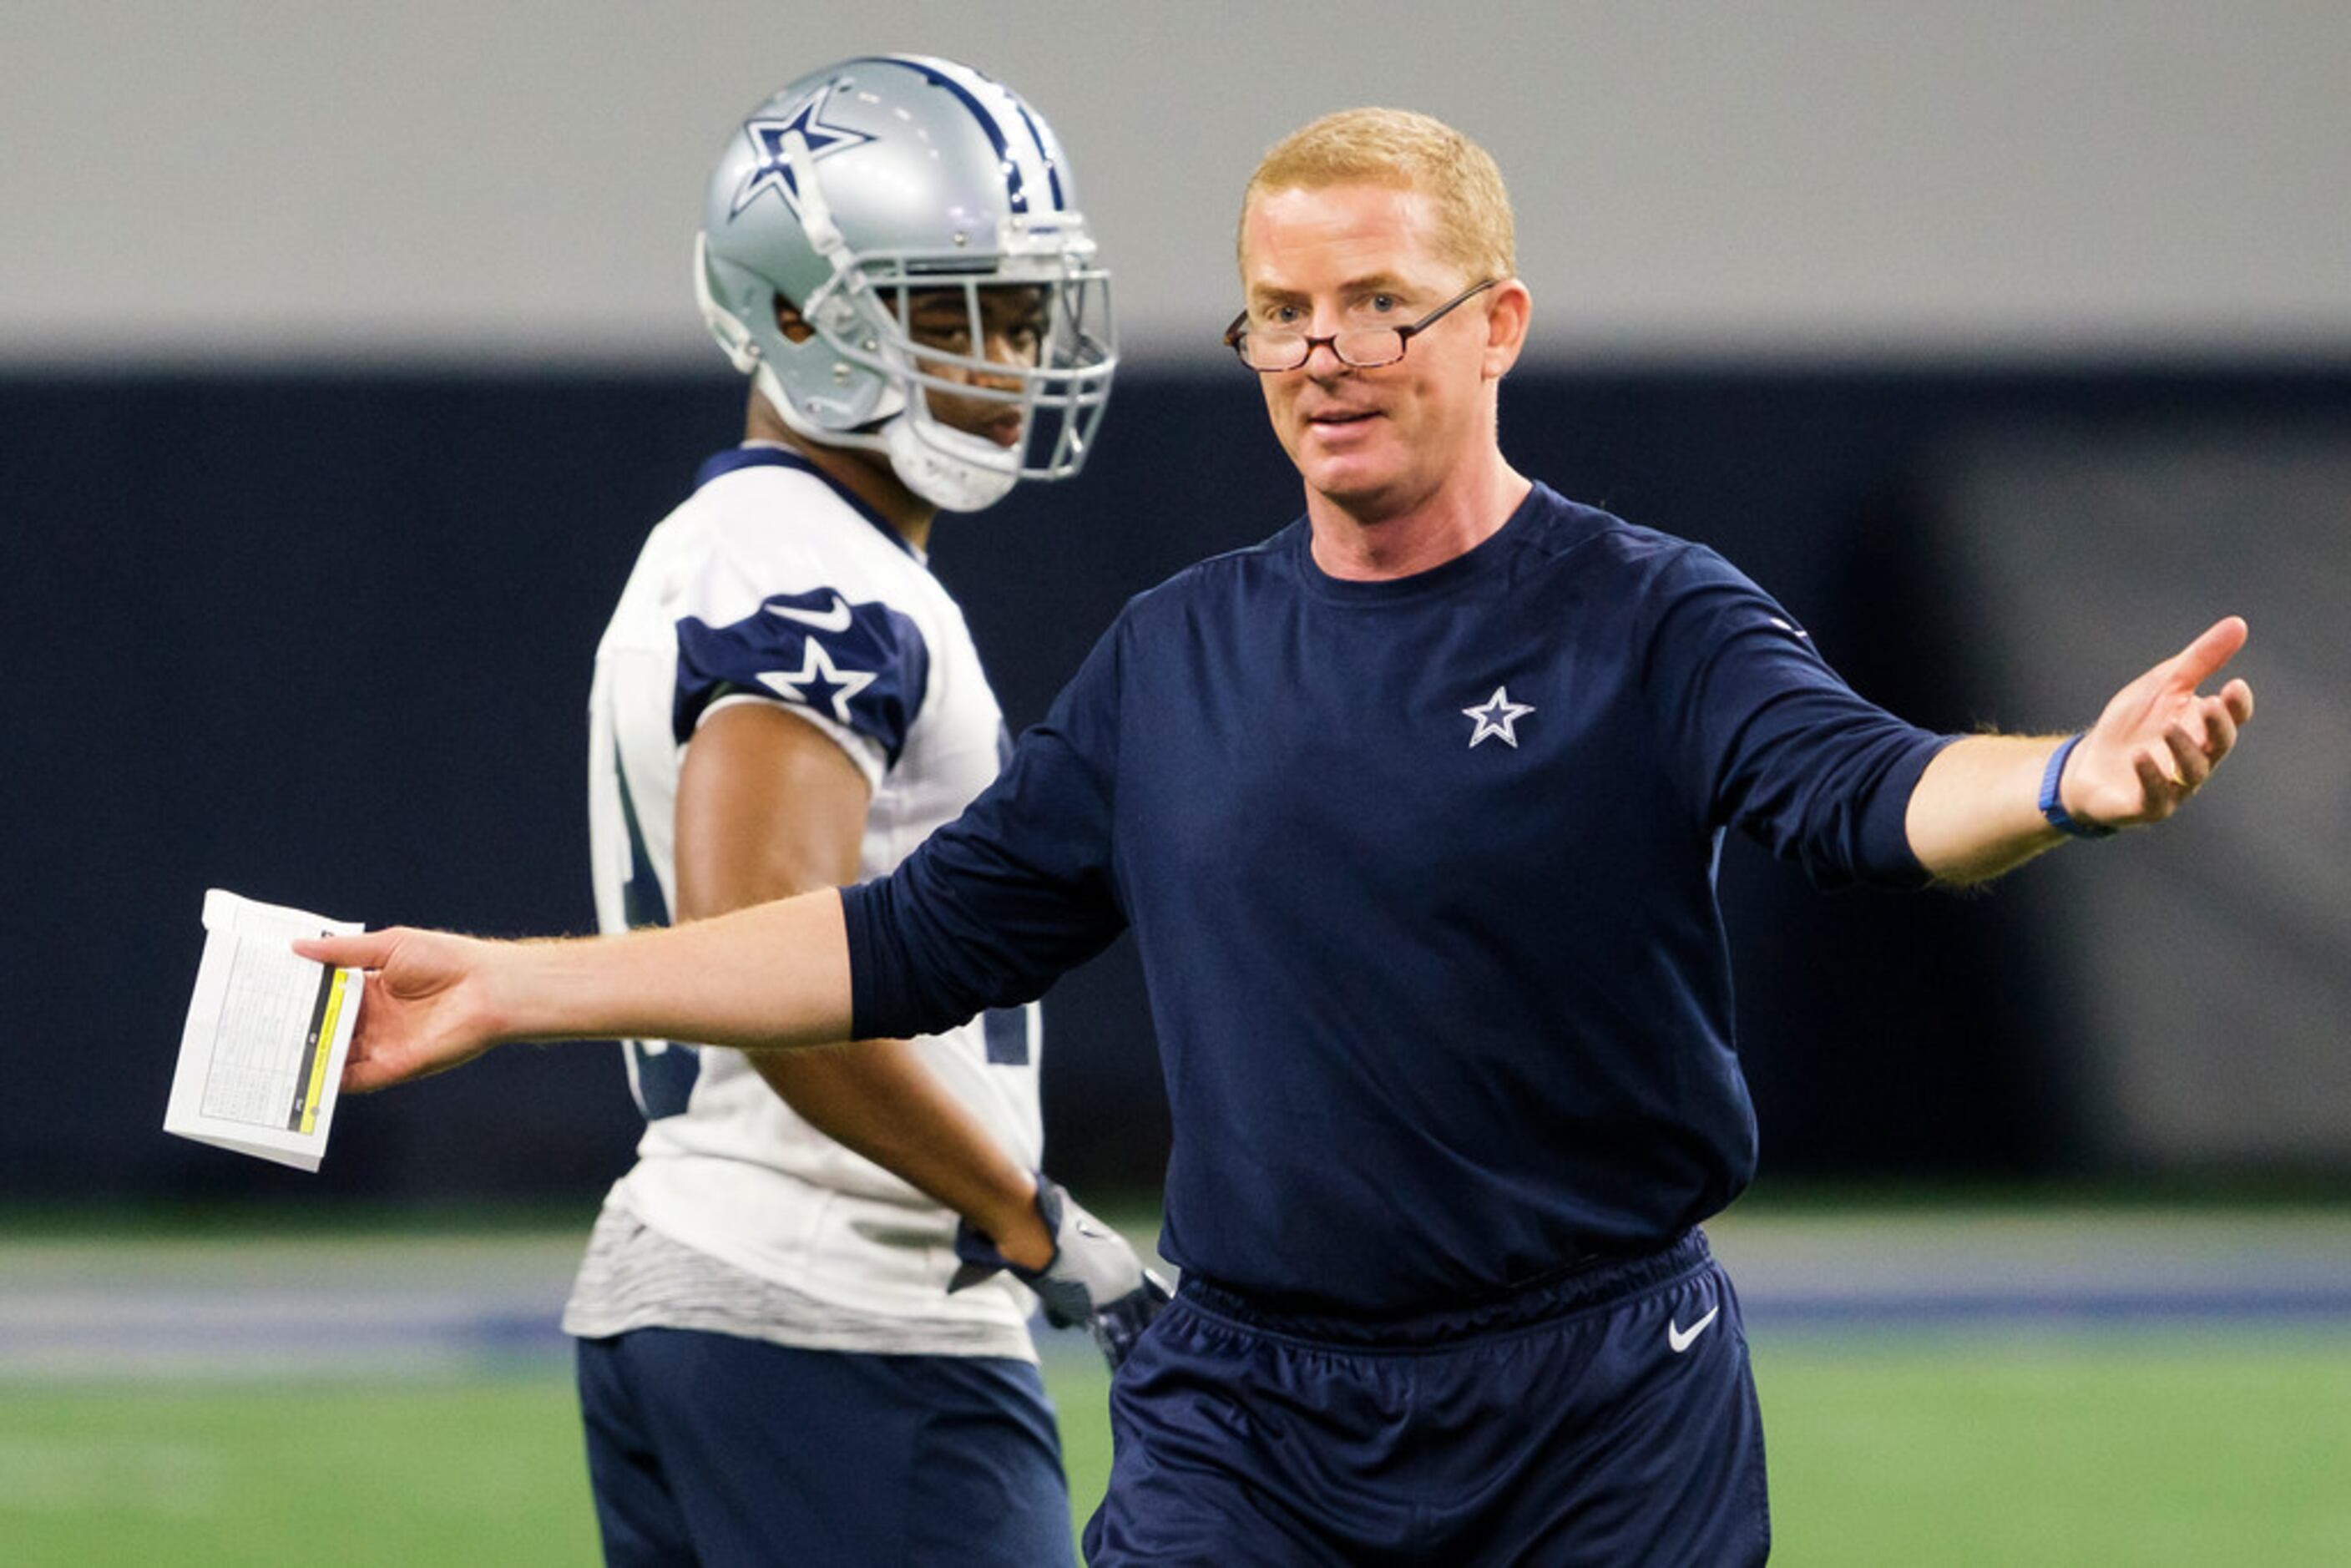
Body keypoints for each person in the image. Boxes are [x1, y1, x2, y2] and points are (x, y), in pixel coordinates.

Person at [304, 108, 2254, 1565]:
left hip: (1595, 1403)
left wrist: (2068, 779)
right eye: (1282, 314)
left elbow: (1874, 792)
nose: (1323, 350)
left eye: (1377, 307)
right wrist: (511, 991)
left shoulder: (1645, 613)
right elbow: (896, 944)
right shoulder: (1179, 655)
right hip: (1252, 1418)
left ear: (1496, 326)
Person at [557, 55, 1160, 1568]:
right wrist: (1028, 1217)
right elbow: (766, 967)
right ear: (800, 312)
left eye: (1024, 312)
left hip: (733, 1288)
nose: (1009, 359)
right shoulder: (809, 574)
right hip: (834, 1313)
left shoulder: (759, 544)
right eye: (955, 310)